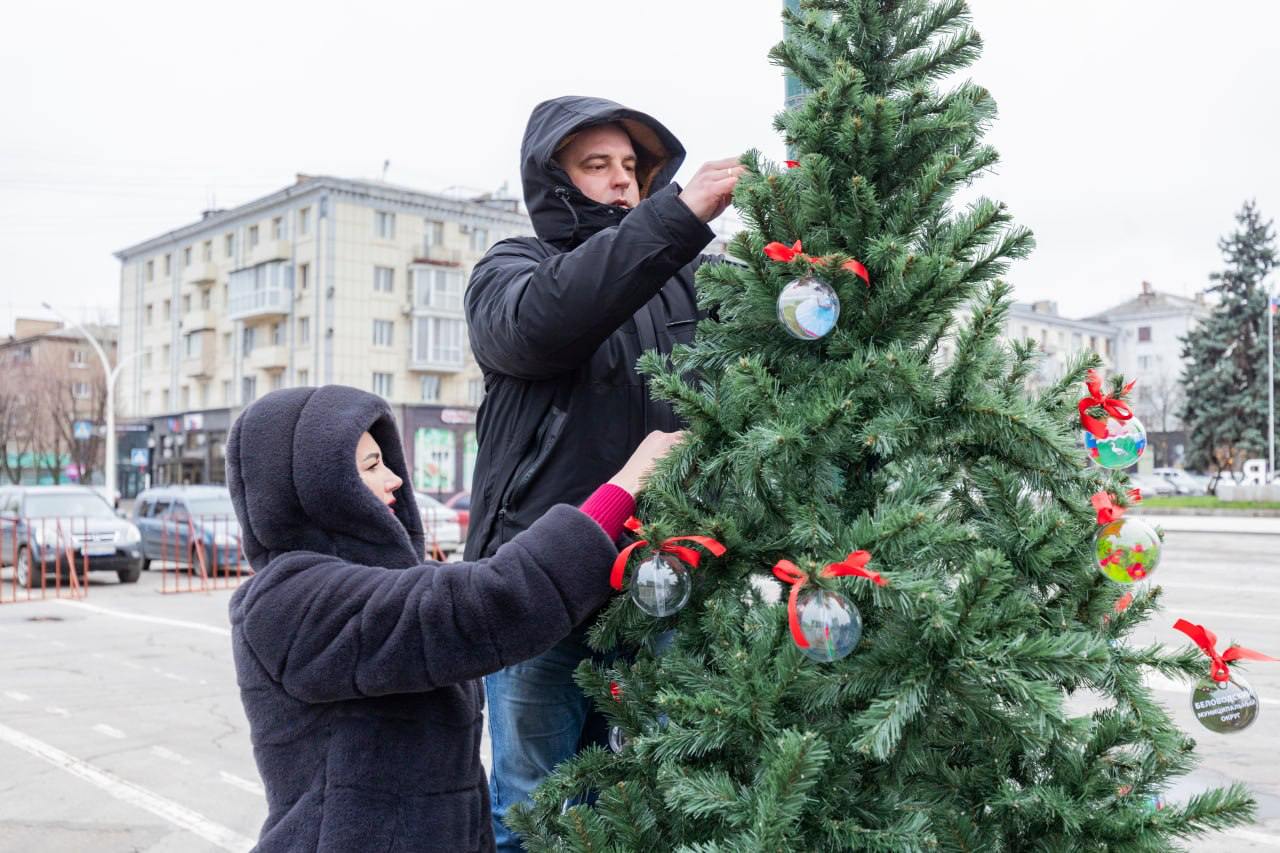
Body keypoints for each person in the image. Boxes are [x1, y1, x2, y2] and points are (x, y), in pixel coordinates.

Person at [225, 384, 681, 852]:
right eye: (370, 465)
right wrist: (623, 486)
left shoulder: (385, 580)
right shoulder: (288, 601)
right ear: (317, 486)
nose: (395, 479)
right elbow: (485, 602)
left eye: (384, 460)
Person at [465, 95, 744, 849]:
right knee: (532, 806)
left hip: (663, 584)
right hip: (537, 588)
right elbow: (547, 323)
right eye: (598, 166)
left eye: (632, 167)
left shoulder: (691, 278)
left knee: (662, 797)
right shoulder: (511, 270)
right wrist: (679, 217)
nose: (623, 182)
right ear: (552, 179)